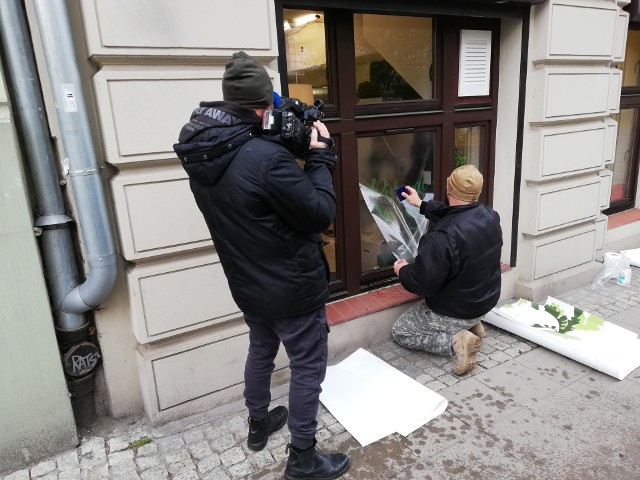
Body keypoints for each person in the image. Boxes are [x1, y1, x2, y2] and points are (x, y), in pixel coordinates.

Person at [173, 52, 349, 480]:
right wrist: (321, 155)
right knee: (307, 366)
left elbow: (256, 202)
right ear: (260, 107)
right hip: (291, 287)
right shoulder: (266, 160)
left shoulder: (204, 147)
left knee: (262, 350)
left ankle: (258, 425)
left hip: (248, 283)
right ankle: (303, 459)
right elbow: (320, 212)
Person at [391, 164, 503, 375]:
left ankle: (456, 340)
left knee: (401, 332)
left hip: (456, 309)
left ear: (449, 189)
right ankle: (472, 324)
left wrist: (403, 271)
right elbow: (455, 213)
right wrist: (421, 204)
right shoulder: (489, 214)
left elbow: (424, 284)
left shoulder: (441, 238)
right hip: (486, 299)